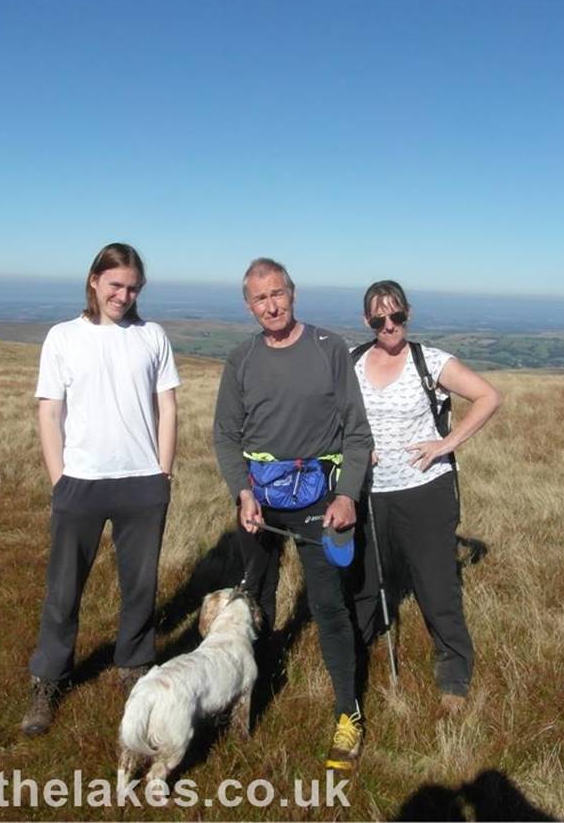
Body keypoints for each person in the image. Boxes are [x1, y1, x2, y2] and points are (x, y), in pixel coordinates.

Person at [212, 258, 373, 772]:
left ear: (293, 293)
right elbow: (225, 436)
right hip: (258, 500)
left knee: (328, 607)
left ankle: (348, 715)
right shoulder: (241, 360)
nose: (271, 305)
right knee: (256, 603)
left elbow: (356, 431)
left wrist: (346, 496)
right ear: (248, 305)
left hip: (319, 500)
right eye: (260, 298)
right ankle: (246, 700)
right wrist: (242, 493)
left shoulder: (329, 351)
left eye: (278, 293)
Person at [20, 243, 179, 737]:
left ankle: (133, 666)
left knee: (140, 586)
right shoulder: (63, 337)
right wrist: (59, 480)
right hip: (80, 483)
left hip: (142, 483)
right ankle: (49, 679)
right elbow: (49, 411)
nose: (123, 295)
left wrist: (163, 475)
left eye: (132, 287)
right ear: (94, 281)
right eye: (115, 285)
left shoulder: (152, 335)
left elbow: (168, 407)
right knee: (64, 589)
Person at [351, 279, 502, 715]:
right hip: (370, 491)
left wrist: (446, 443)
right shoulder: (353, 361)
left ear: (408, 314)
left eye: (396, 315)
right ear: (368, 321)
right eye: (379, 318)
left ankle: (454, 671)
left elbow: (489, 397)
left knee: (435, 584)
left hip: (425, 490)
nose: (389, 324)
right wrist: (355, 447)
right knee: (365, 580)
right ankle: (358, 654)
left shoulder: (430, 361)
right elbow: (334, 413)